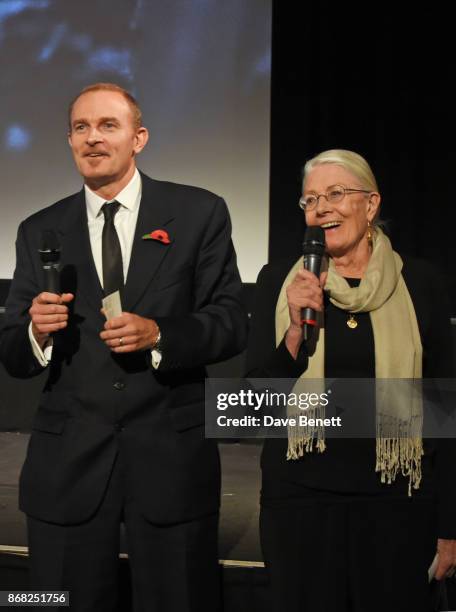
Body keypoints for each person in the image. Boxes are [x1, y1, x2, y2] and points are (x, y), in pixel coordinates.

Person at [0, 82, 248, 612]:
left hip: (171, 464)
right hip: (66, 469)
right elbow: (13, 353)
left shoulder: (199, 213)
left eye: (108, 126)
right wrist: (36, 332)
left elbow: (229, 323)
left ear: (139, 138)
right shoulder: (38, 228)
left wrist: (160, 334)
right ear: (69, 141)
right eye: (81, 128)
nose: (93, 138)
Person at [246, 149, 456, 612]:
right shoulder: (279, 283)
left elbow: (446, 411)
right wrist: (296, 334)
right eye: (310, 200)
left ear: (371, 204)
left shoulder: (422, 283)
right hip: (300, 505)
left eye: (336, 194)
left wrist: (450, 526)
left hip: (397, 506)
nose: (321, 208)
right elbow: (252, 406)